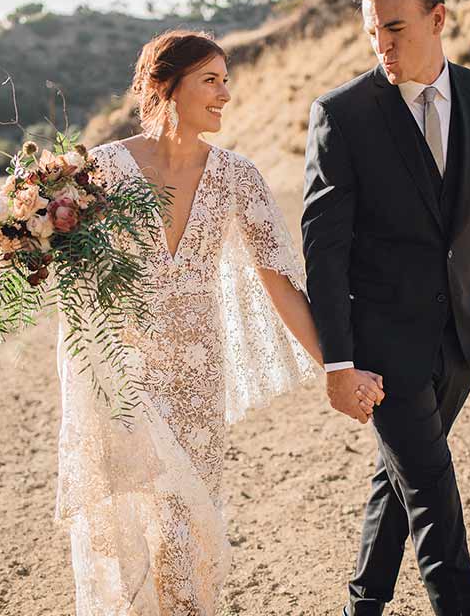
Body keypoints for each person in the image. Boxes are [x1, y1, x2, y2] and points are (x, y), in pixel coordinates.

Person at [53, 30, 386, 615]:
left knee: (188, 533)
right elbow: (73, 279)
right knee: (136, 533)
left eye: (225, 80)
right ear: (165, 87)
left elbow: (282, 282)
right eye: (211, 80)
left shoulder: (236, 175)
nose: (225, 95)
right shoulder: (100, 172)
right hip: (126, 386)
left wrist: (339, 367)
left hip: (199, 387)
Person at [301, 0, 470, 614]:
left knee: (398, 483)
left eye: (394, 27)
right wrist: (339, 363)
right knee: (433, 503)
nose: (381, 45)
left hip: (462, 344)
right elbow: (325, 250)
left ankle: (361, 605)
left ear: (438, 17)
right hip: (383, 351)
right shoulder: (343, 113)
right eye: (371, 31)